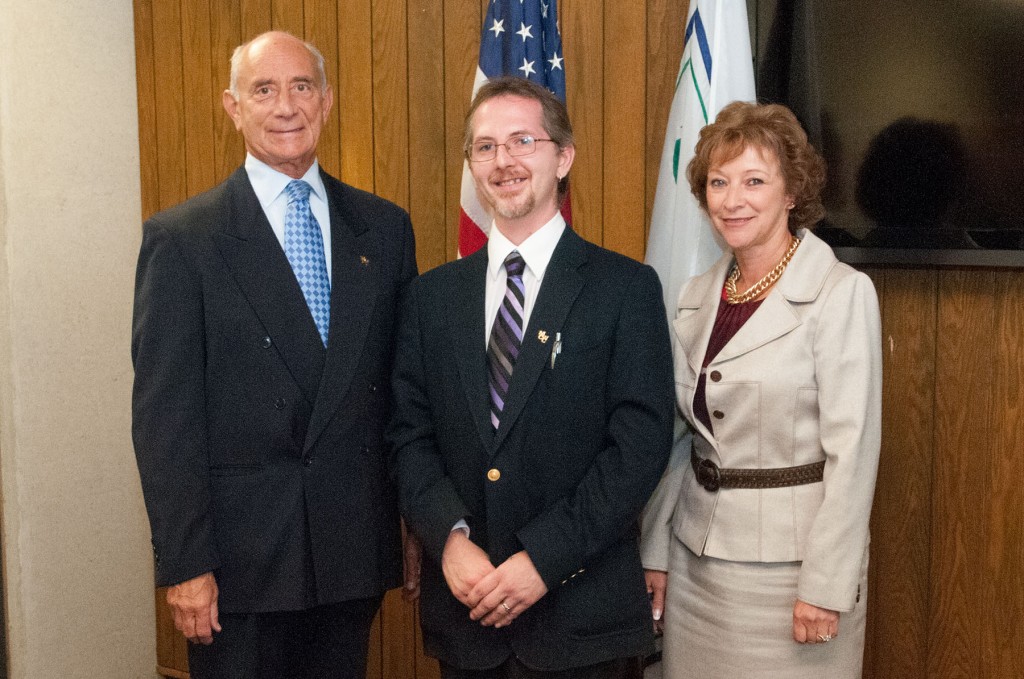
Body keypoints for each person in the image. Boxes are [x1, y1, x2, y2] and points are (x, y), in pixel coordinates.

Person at [131, 31, 418, 679]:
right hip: (238, 566)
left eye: (301, 86)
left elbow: (404, 396)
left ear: (328, 101)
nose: (285, 105)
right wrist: (186, 564)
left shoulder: (384, 228)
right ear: (234, 107)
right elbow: (164, 421)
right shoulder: (184, 240)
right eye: (265, 89)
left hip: (350, 548)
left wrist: (413, 525)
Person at [389, 76, 675, 679]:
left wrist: (543, 560)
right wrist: (449, 538)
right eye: (486, 147)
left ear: (563, 157)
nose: (504, 161)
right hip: (470, 616)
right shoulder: (430, 298)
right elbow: (407, 437)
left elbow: (639, 449)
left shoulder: (623, 289)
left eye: (523, 140)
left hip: (582, 622)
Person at [641, 102, 882, 678]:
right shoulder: (695, 297)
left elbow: (855, 455)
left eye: (754, 181)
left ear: (792, 192)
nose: (733, 199)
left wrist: (827, 583)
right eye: (719, 183)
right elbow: (680, 436)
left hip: (793, 576)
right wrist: (655, 549)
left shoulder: (840, 293)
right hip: (695, 565)